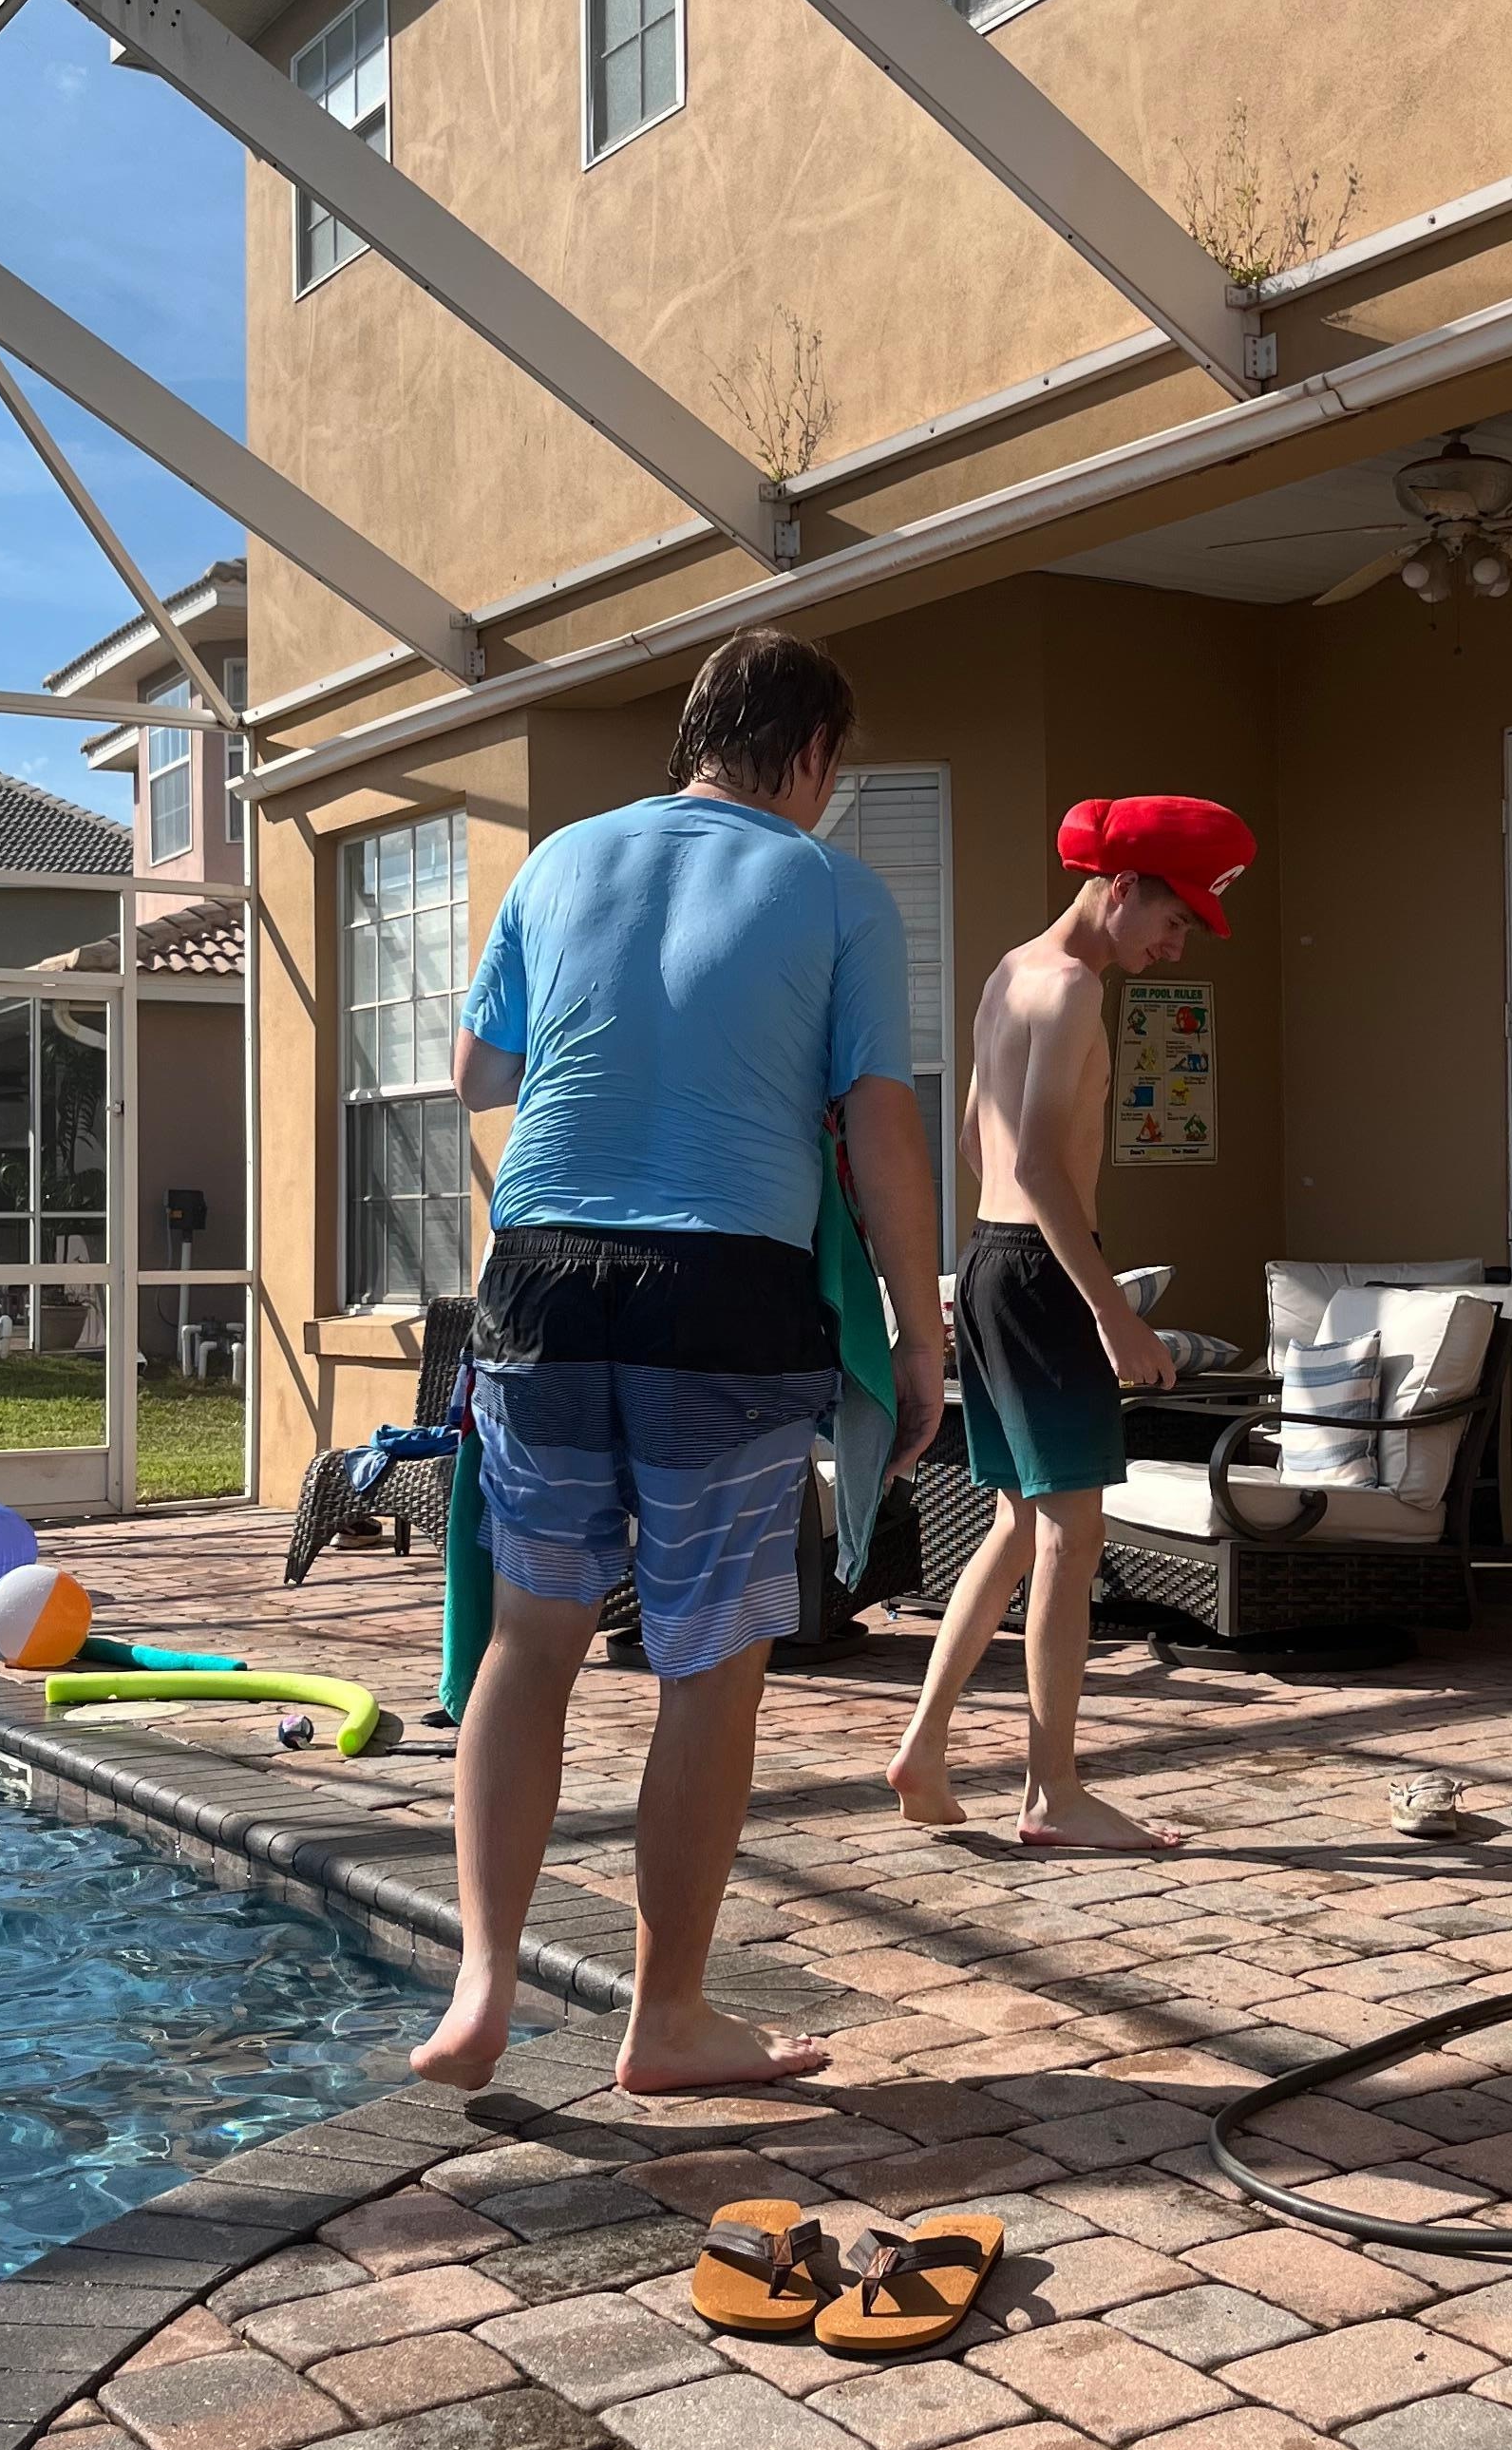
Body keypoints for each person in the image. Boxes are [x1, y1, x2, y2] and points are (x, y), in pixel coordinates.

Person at [410, 629, 944, 2099]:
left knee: (532, 1642)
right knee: (707, 1668)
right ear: (815, 754)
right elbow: (882, 1127)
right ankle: (669, 2018)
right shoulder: (833, 885)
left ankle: (482, 1984)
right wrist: (917, 1333)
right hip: (723, 1295)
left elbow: (479, 1076)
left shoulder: (560, 859)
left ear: (696, 734)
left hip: (539, 1279)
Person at [888, 793, 1257, 1852]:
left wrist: (1015, 1256)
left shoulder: (1011, 973)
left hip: (991, 1264)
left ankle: (923, 1746)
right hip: (1045, 1278)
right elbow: (1044, 1165)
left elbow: (977, 1144)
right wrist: (1112, 1314)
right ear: (1122, 886)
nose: (1174, 945)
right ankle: (1053, 1791)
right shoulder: (1076, 990)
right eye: (1174, 920)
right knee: (1070, 1535)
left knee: (1017, 1525)